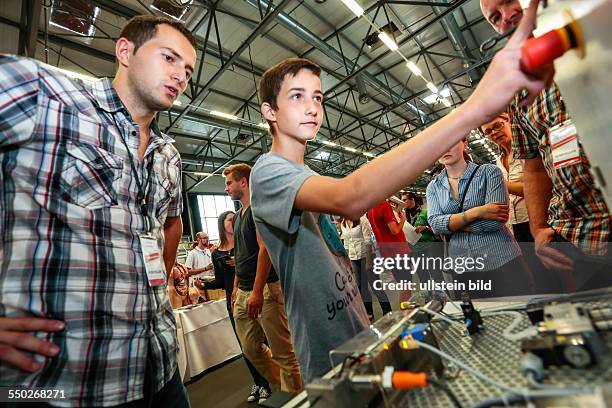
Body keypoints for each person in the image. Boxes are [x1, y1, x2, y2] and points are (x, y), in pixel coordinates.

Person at [249, 0, 550, 382]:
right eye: (297, 96)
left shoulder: (305, 174)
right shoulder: (267, 171)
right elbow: (351, 195)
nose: (312, 107)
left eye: (318, 97)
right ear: (269, 111)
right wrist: (471, 111)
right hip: (326, 347)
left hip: (355, 325)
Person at [0, 15, 196, 406]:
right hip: (60, 384)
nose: (180, 75)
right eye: (169, 58)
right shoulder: (45, 95)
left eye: (188, 69)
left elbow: (165, 227)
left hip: (159, 370)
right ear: (125, 51)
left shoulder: (168, 155)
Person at [480, 0, 612, 291]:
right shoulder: (522, 91)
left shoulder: (600, 35)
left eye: (509, 3)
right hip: (580, 233)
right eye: (495, 17)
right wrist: (538, 228)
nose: (507, 17)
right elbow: (534, 166)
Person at [223, 164, 303, 398]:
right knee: (250, 348)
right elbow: (240, 255)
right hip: (244, 290)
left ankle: (294, 398)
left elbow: (264, 249)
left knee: (284, 352)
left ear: (244, 182)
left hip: (266, 289)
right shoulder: (238, 216)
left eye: (229, 183)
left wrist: (257, 290)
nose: (226, 188)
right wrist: (237, 286)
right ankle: (281, 390)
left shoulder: (258, 210)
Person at [426, 139, 533, 298]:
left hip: (501, 259)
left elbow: (494, 222)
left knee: (521, 311)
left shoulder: (489, 172)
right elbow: (435, 225)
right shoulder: (433, 187)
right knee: (477, 317)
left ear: (465, 144)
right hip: (462, 266)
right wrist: (476, 212)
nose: (444, 148)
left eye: (451, 141)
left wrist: (452, 224)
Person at [197, 211, 271, 404]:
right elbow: (221, 281)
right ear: (223, 224)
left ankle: (268, 381)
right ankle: (258, 382)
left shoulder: (245, 244)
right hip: (234, 299)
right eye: (231, 220)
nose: (235, 222)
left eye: (235, 219)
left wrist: (242, 262)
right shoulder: (217, 253)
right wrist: (204, 285)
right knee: (245, 345)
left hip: (254, 293)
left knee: (263, 341)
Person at [339, 216, 392, 321]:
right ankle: (369, 312)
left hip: (366, 256)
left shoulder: (362, 219)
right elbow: (346, 244)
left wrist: (368, 262)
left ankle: (387, 311)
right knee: (361, 287)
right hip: (353, 258)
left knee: (375, 286)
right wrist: (347, 263)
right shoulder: (343, 222)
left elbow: (368, 241)